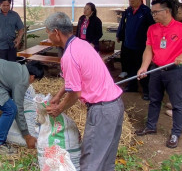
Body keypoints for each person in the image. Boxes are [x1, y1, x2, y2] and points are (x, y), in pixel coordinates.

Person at [44, 12, 124, 171]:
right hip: (115, 106)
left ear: (56, 33)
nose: (48, 37)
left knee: (90, 162)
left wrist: (59, 109)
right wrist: (58, 96)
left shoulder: (69, 56)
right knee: (107, 161)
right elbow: (73, 79)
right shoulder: (82, 44)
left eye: (48, 33)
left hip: (102, 111)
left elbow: (75, 93)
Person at [135, 0, 182, 149]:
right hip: (156, 70)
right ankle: (150, 126)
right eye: (152, 12)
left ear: (167, 11)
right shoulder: (152, 29)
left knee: (177, 104)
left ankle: (176, 133)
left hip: (175, 72)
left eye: (156, 12)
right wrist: (144, 67)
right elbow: (148, 49)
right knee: (154, 99)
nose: (153, 15)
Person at [116, 0, 155, 100]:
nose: (131, 0)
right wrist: (119, 35)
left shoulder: (146, 11)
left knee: (143, 68)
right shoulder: (128, 11)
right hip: (128, 45)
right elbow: (122, 25)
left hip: (141, 46)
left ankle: (146, 90)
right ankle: (132, 86)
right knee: (130, 68)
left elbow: (152, 27)